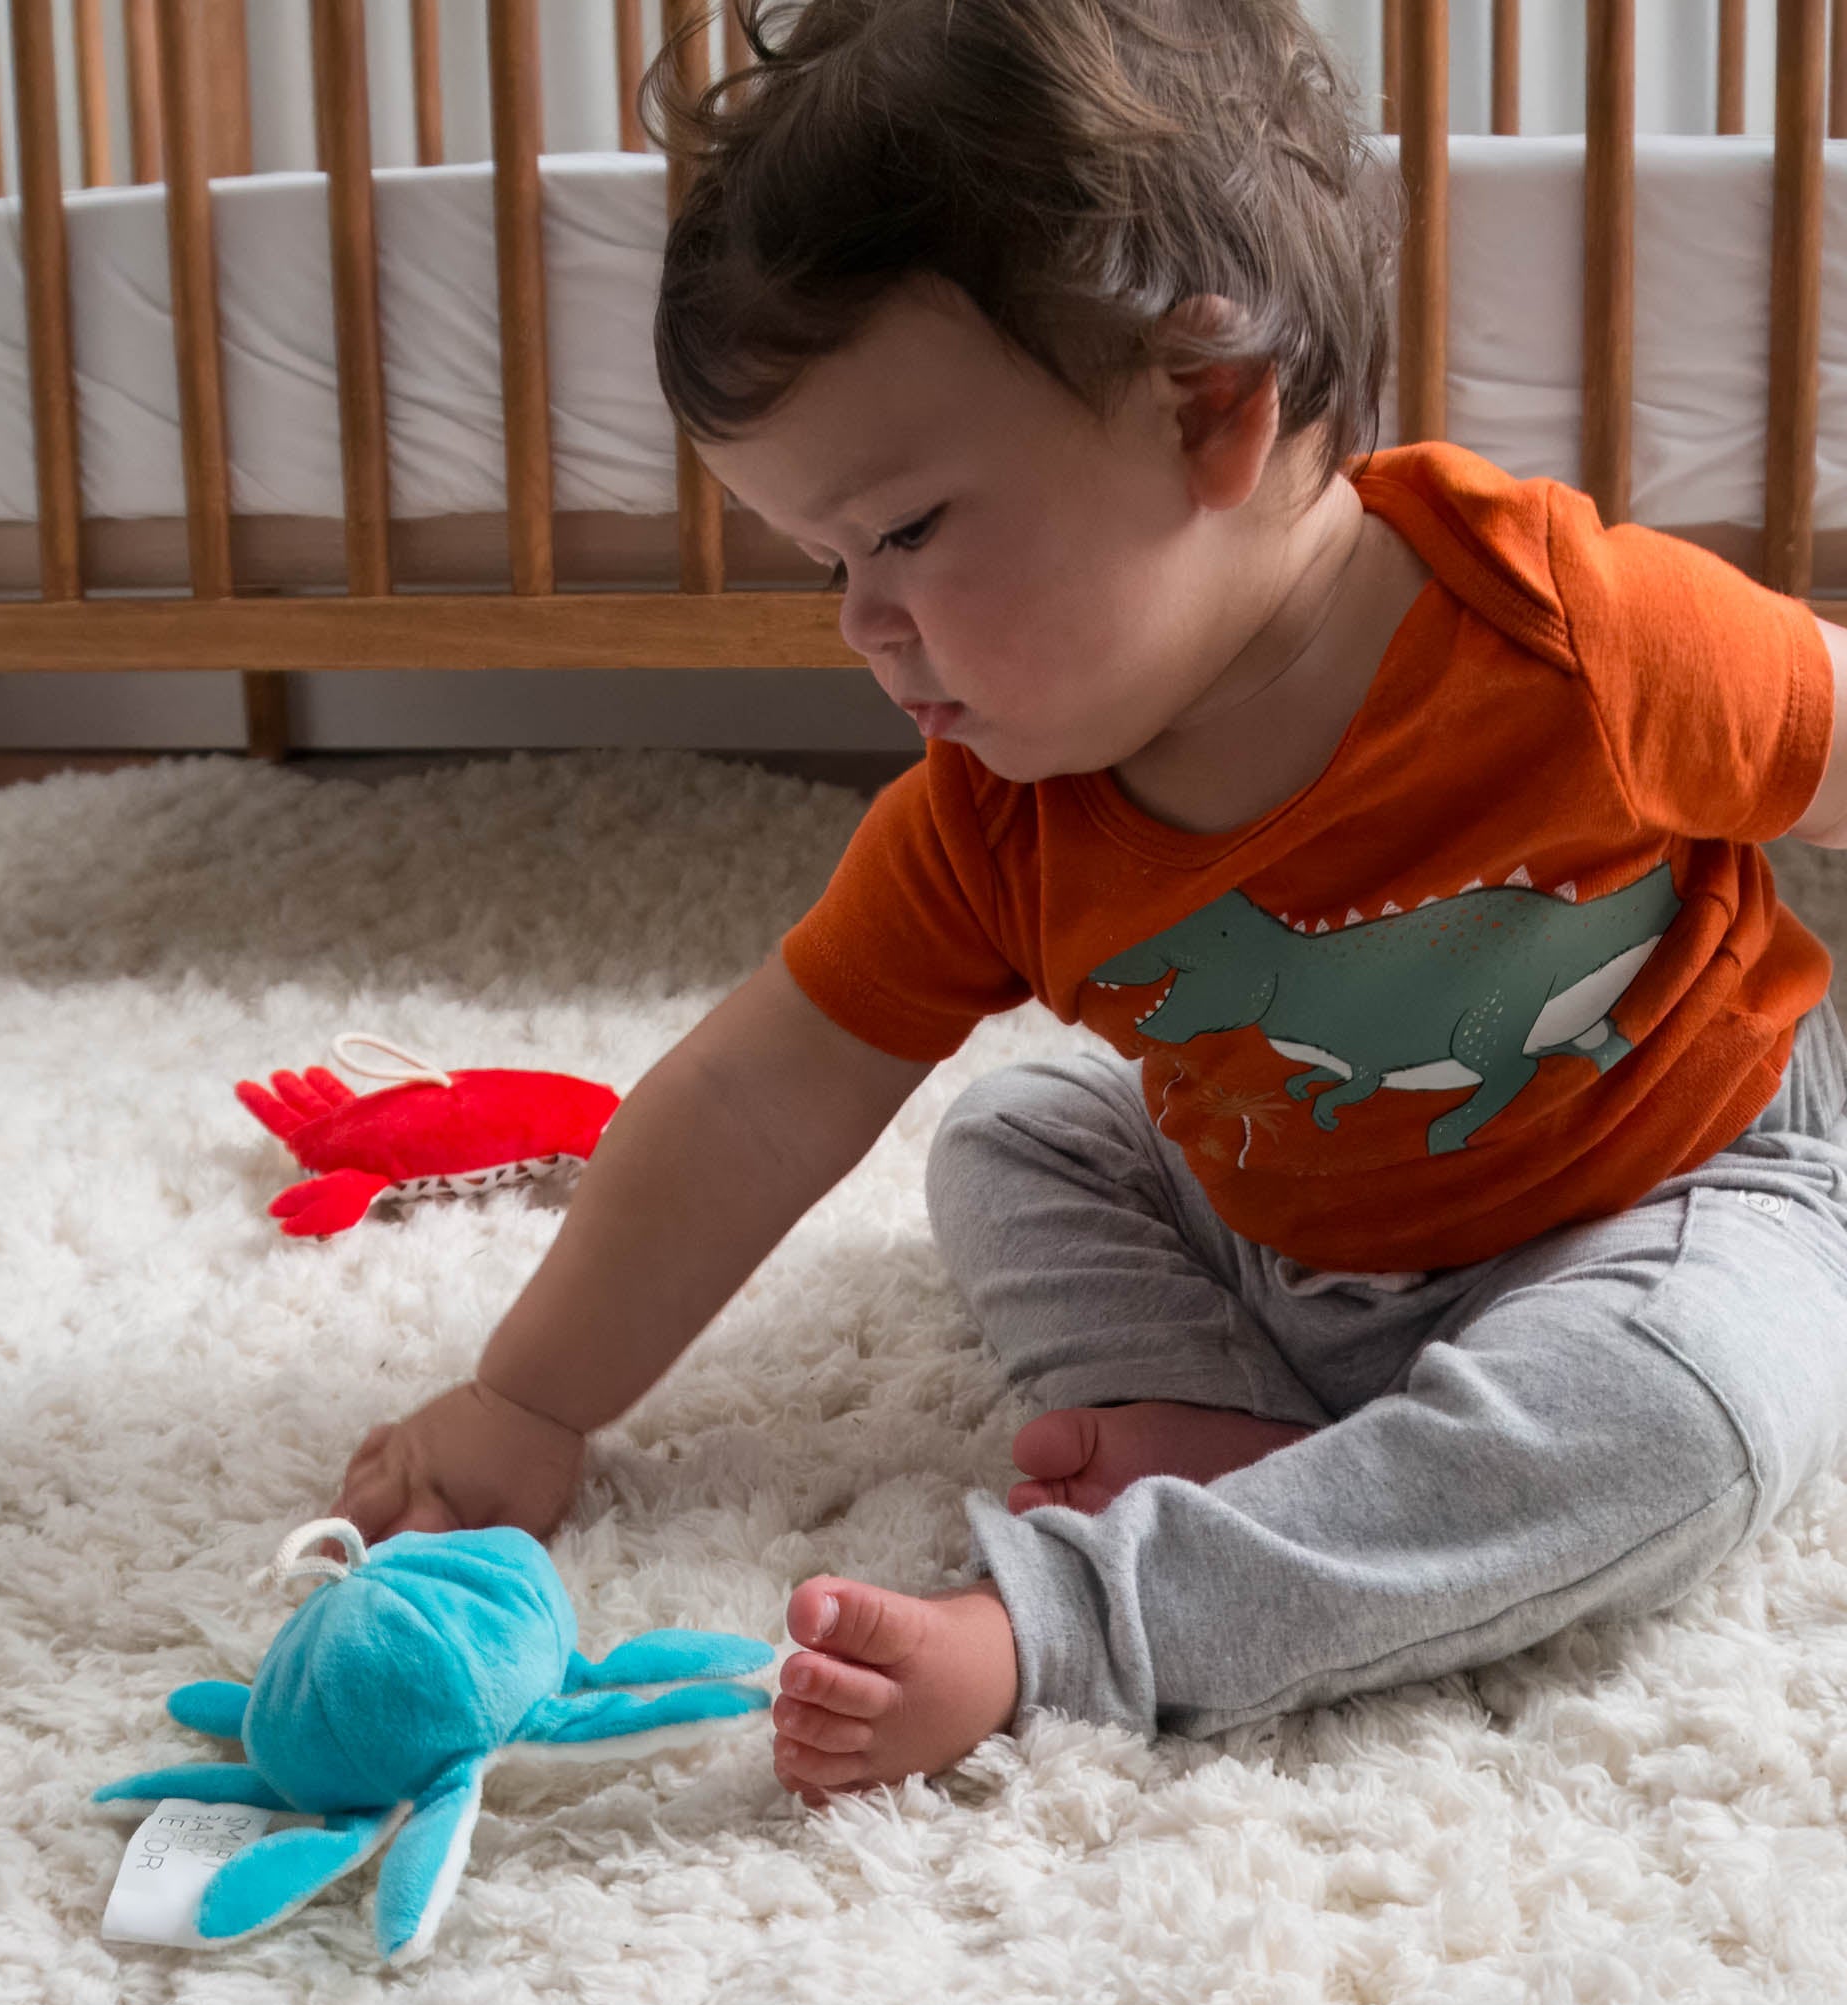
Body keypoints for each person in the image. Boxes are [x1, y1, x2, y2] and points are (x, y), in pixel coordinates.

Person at [332, 0, 1847, 1805]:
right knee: (1014, 1137)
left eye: (901, 534)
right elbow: (752, 1099)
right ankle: (1232, 1416)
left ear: (1209, 411)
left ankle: (1093, 1620)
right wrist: (531, 1400)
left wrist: (1029, 1628)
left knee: (1670, 1419)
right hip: (1288, 1228)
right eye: (826, 562)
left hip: (1663, 1187)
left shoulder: (1579, 638)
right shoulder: (995, 821)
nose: (859, 626)